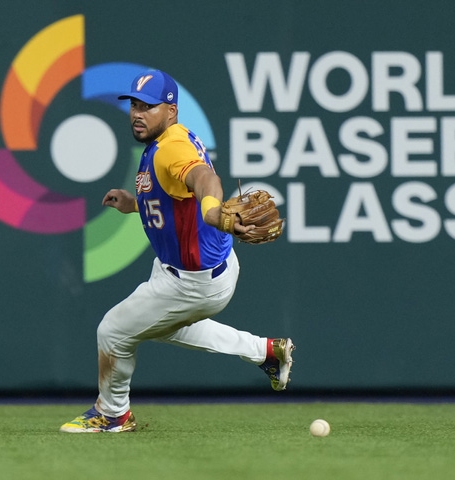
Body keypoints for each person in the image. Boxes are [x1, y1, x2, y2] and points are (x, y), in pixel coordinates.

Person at [60, 69, 294, 433]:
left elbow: (204, 179)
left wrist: (214, 210)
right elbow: (172, 195)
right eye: (134, 105)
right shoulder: (167, 140)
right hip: (200, 268)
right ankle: (265, 351)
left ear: (171, 110)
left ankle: (113, 413)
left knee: (113, 332)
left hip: (191, 281)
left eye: (148, 106)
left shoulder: (172, 147)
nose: (137, 113)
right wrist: (135, 201)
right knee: (161, 327)